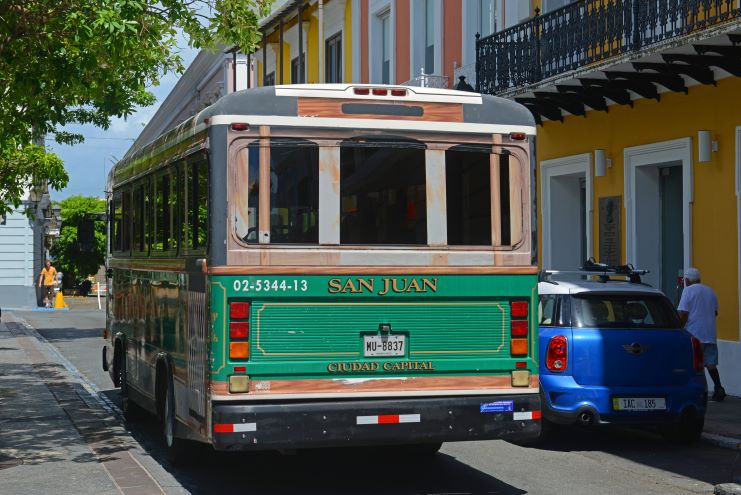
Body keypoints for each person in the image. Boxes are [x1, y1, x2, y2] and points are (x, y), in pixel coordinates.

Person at [677, 267, 725, 401]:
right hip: (709, 333)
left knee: (692, 363)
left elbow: (684, 313)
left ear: (686, 279)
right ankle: (718, 388)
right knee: (710, 363)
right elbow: (715, 312)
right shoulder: (710, 290)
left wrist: (679, 327)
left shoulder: (687, 291)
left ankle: (693, 390)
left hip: (694, 333)